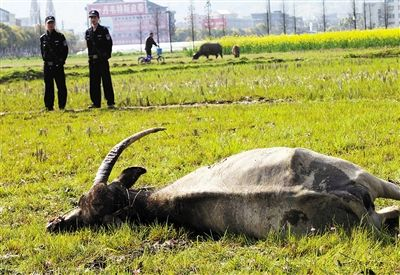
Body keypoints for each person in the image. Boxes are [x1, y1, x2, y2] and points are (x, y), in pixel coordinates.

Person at [85, 10, 115, 109]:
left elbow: (109, 43)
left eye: (94, 17)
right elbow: (89, 47)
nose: (93, 19)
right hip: (93, 61)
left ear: (98, 18)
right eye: (91, 18)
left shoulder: (104, 30)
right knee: (94, 82)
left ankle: (110, 102)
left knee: (106, 81)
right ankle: (96, 103)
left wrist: (106, 56)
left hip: (102, 60)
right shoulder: (88, 32)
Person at [40, 16, 68, 111]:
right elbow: (42, 52)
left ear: (54, 24)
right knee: (48, 87)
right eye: (48, 23)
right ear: (45, 25)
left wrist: (61, 61)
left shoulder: (60, 37)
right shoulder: (43, 38)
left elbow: (65, 50)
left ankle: (62, 106)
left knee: (61, 86)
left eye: (52, 23)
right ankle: (49, 106)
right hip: (48, 66)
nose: (50, 25)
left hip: (58, 65)